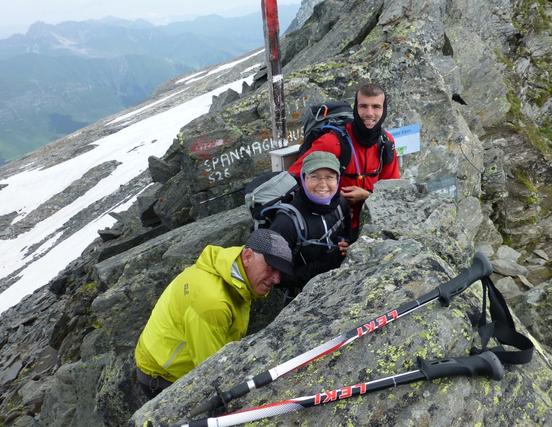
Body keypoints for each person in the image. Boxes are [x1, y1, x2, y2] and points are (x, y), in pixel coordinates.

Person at [134, 229, 293, 398]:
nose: (277, 279)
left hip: (162, 353)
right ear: (247, 256)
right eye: (271, 268)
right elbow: (211, 373)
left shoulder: (232, 269)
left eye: (280, 272)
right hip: (163, 377)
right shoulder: (213, 303)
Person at [288, 83, 400, 239]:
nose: (369, 113)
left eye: (376, 107)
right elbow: (295, 177)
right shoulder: (332, 142)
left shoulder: (386, 142)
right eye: (363, 106)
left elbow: (393, 191)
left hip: (371, 225)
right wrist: (330, 194)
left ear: (384, 110)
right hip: (332, 226)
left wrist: (367, 195)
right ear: (355, 108)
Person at [270, 151, 351, 302]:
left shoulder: (341, 203)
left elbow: (347, 234)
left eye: (330, 177)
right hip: (304, 300)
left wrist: (346, 245)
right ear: (303, 178)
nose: (323, 184)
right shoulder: (287, 222)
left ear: (338, 179)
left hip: (342, 288)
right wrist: (326, 265)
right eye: (314, 177)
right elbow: (276, 276)